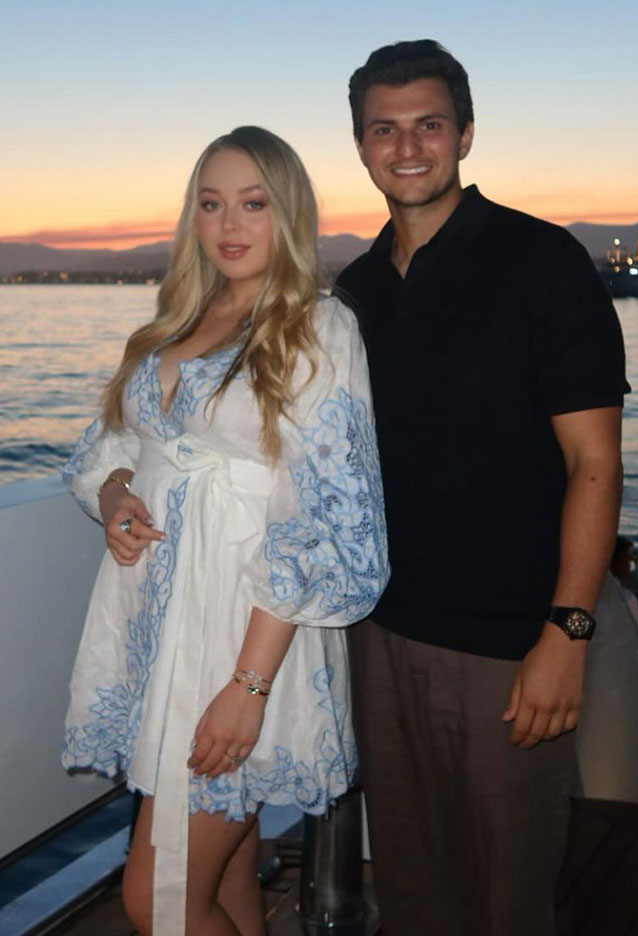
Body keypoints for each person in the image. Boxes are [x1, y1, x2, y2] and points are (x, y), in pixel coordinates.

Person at [334, 40, 630, 936]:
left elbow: (595, 463)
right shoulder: (353, 291)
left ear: (465, 133)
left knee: (509, 894)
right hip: (379, 638)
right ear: (361, 145)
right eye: (384, 129)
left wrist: (566, 633)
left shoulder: (540, 263)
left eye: (428, 124)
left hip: (508, 646)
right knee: (417, 890)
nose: (408, 146)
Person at [62, 126, 388, 936]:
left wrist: (248, 689)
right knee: (227, 877)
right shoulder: (176, 321)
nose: (230, 224)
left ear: (290, 216)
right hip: (157, 631)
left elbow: (332, 522)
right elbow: (113, 447)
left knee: (160, 902)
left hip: (238, 638)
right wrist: (115, 498)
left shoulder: (319, 329)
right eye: (211, 204)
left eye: (253, 204)